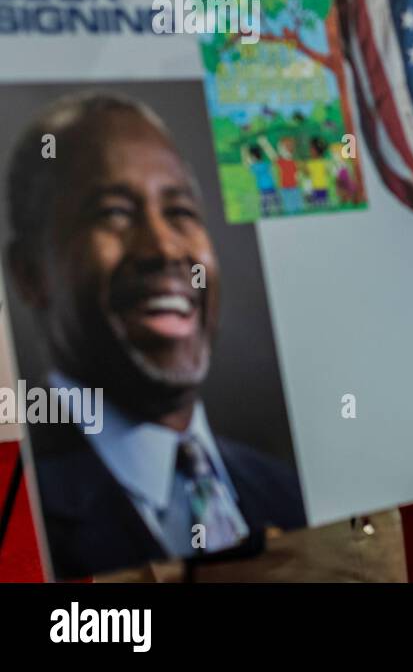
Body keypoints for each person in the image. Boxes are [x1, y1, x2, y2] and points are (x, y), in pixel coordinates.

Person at [4, 93, 306, 578]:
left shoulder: (286, 490)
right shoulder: (22, 506)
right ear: (29, 273)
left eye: (181, 212)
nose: (164, 248)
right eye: (113, 213)